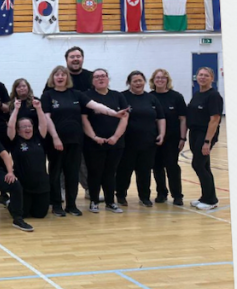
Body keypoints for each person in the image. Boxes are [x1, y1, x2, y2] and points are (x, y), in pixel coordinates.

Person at [42, 65, 128, 217]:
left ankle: (71, 205)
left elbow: (96, 105)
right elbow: (47, 118)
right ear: (53, 78)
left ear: (67, 78)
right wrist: (55, 137)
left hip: (75, 141)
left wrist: (114, 114)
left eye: (63, 74)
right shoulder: (48, 95)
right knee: (55, 174)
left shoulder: (76, 94)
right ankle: (56, 205)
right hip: (55, 142)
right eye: (57, 75)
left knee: (72, 174)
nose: (60, 77)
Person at [80, 69, 129, 213]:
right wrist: (94, 137)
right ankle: (94, 201)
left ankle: (110, 202)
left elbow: (124, 117)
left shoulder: (118, 96)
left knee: (110, 172)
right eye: (97, 77)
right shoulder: (87, 96)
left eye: (103, 76)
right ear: (92, 80)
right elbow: (84, 119)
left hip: (116, 143)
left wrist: (115, 137)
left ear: (108, 78)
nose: (100, 79)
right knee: (95, 172)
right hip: (94, 143)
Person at [116, 71, 166, 208]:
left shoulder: (151, 98)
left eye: (140, 80)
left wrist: (161, 134)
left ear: (144, 81)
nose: (138, 83)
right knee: (125, 171)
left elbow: (160, 118)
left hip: (148, 142)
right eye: (135, 81)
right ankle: (120, 195)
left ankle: (144, 197)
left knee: (144, 171)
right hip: (127, 143)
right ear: (129, 83)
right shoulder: (122, 97)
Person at [187, 67, 224, 210]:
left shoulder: (214, 96)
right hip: (195, 133)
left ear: (212, 78)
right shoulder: (197, 94)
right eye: (200, 75)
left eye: (206, 75)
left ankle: (210, 200)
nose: (202, 77)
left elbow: (214, 119)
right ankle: (205, 197)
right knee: (204, 166)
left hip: (205, 134)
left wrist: (207, 141)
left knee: (198, 165)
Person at [150, 68, 188, 206]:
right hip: (155, 139)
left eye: (163, 78)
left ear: (167, 80)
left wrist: (183, 138)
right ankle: (161, 193)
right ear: (153, 80)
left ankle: (177, 195)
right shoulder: (150, 97)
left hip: (172, 139)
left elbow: (183, 119)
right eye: (157, 78)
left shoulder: (176, 97)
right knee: (157, 167)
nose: (160, 80)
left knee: (172, 167)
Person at [9, 115, 51, 220]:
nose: (27, 128)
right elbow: (10, 126)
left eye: (29, 126)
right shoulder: (15, 141)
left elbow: (44, 124)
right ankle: (12, 202)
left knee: (40, 215)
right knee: (23, 214)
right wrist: (16, 109)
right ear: (18, 130)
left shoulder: (38, 138)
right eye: (23, 127)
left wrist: (38, 108)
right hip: (24, 185)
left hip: (41, 184)